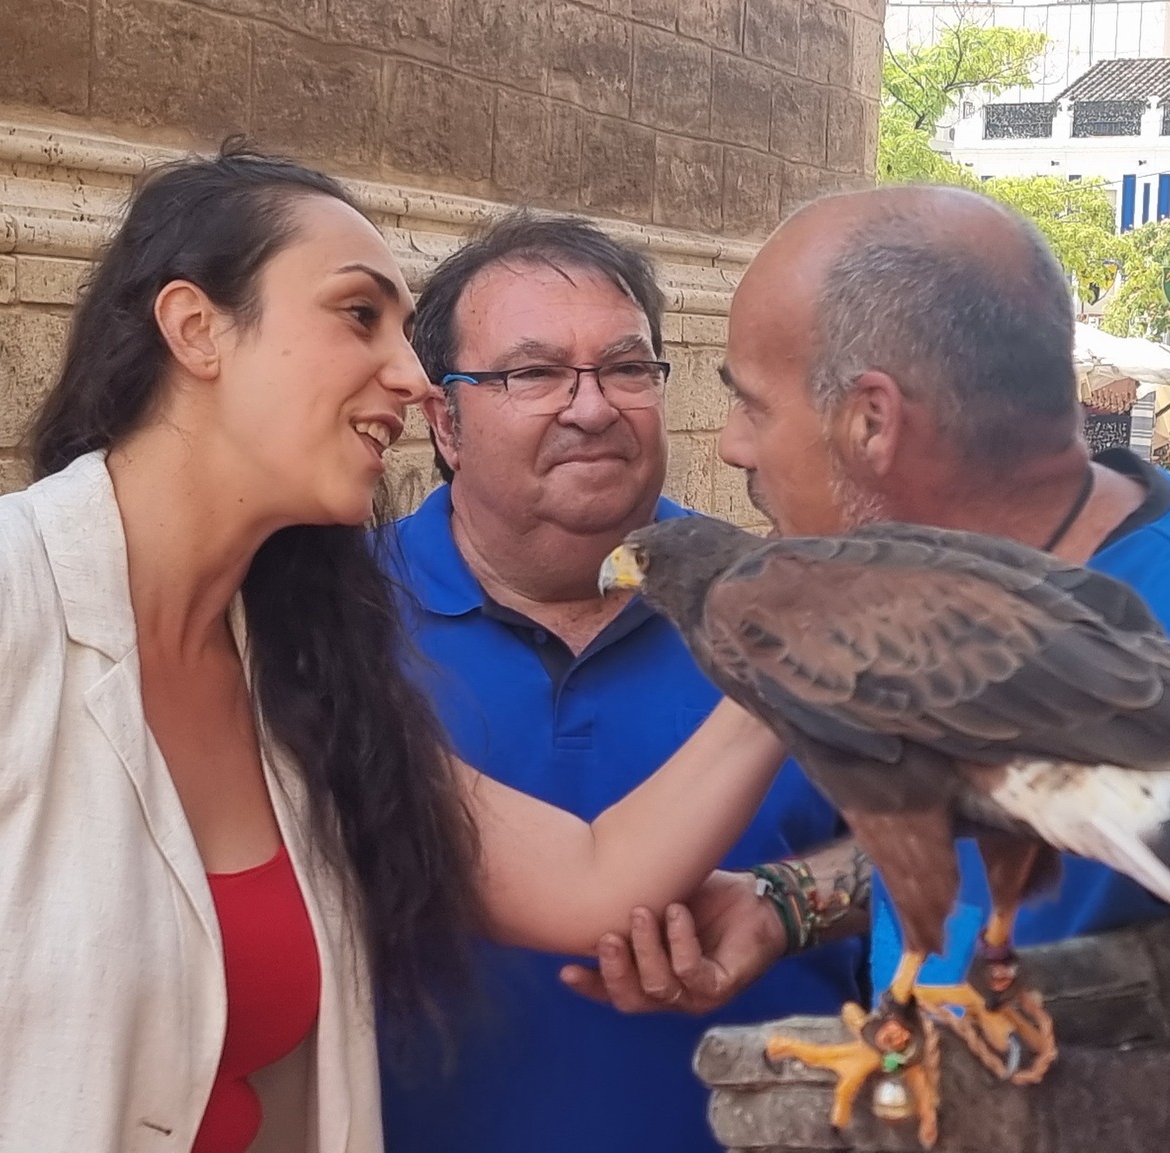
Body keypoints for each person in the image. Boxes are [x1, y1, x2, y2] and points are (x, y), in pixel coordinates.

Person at [0, 148, 798, 1153]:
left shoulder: (292, 673)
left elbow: (593, 879)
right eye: (359, 316)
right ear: (195, 328)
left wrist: (808, 645)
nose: (412, 377)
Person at [606, 186, 1170, 1153]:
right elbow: (997, 798)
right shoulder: (919, 604)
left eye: (750, 402)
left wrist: (1030, 1120)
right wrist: (792, 903)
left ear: (872, 419)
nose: (730, 445)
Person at [374, 212, 863, 1153]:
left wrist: (791, 899)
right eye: (533, 374)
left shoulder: (806, 605)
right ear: (444, 421)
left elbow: (965, 849)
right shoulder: (335, 627)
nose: (592, 407)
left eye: (627, 368)